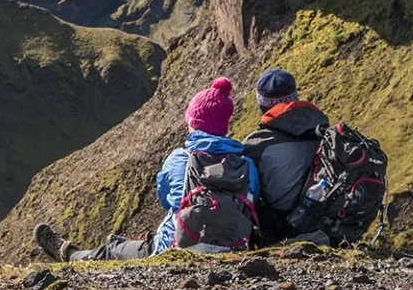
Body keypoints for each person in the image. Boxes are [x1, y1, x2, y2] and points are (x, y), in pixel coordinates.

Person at [33, 77, 257, 261]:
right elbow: (252, 199)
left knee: (112, 250)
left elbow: (166, 198)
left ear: (194, 123)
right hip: (233, 250)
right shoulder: (246, 164)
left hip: (173, 247)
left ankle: (70, 254)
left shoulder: (180, 159)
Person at [241, 67, 329, 244]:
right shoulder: (323, 131)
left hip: (283, 227)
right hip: (324, 218)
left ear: (262, 104)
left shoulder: (256, 144)